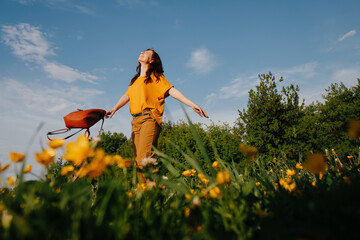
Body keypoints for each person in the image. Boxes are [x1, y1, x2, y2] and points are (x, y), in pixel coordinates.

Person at [106, 48, 208, 168]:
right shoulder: (135, 81)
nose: (142, 52)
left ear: (152, 60)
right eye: (142, 51)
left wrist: (192, 104)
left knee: (144, 160)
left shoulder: (156, 77)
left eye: (147, 52)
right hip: (135, 122)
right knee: (138, 162)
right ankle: (145, 186)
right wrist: (114, 109)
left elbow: (171, 90)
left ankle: (151, 185)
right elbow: (126, 95)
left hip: (149, 119)